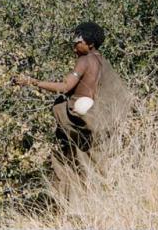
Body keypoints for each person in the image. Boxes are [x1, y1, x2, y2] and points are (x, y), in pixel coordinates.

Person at [16, 22, 132, 195]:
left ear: (89, 44)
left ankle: (71, 208)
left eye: (78, 42)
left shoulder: (85, 60)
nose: (74, 47)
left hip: (78, 125)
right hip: (92, 125)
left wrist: (32, 82)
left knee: (68, 165)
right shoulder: (102, 62)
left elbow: (65, 86)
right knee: (91, 167)